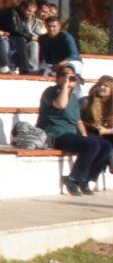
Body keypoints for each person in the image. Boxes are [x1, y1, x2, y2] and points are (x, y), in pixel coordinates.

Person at [42, 64, 112, 196]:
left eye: (73, 78)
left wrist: (85, 135)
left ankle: (85, 179)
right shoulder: (51, 91)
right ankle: (73, 179)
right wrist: (64, 85)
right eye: (68, 77)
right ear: (59, 78)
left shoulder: (73, 97)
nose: (72, 80)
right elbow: (61, 104)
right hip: (55, 134)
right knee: (92, 145)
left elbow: (78, 121)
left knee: (105, 146)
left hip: (72, 134)